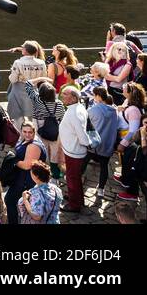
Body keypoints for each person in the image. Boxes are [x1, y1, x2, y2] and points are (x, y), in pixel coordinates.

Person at [4, 120, 47, 224]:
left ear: (34, 132)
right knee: (16, 203)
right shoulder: (23, 140)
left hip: (27, 181)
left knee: (10, 201)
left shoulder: (34, 146)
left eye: (30, 132)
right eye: (24, 131)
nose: (27, 134)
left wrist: (12, 159)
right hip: (21, 178)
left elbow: (27, 166)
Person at [58, 84, 89, 212]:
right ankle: (76, 197)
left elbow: (82, 135)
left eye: (65, 94)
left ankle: (74, 205)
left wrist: (85, 143)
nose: (61, 96)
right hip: (73, 149)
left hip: (74, 151)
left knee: (72, 178)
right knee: (75, 177)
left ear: (74, 98)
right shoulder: (78, 107)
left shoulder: (74, 113)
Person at [86, 86, 120, 197]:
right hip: (107, 144)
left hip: (93, 143)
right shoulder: (114, 111)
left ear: (98, 96)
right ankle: (101, 189)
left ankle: (77, 181)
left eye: (94, 95)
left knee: (84, 162)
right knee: (104, 167)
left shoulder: (93, 110)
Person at [8, 42, 48, 127]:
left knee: (18, 117)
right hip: (33, 90)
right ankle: (31, 133)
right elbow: (43, 77)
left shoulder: (18, 62)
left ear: (25, 51)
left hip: (18, 90)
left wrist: (12, 72)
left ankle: (22, 135)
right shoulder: (41, 63)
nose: (21, 49)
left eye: (23, 48)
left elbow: (13, 79)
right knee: (31, 115)